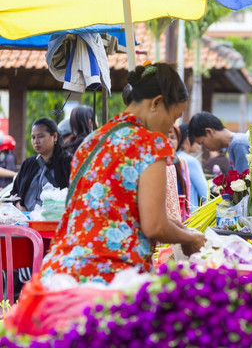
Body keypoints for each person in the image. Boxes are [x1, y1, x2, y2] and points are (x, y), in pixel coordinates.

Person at [40, 62, 205, 284]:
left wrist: (176, 226)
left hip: (61, 273)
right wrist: (190, 238)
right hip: (111, 277)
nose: (170, 127)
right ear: (156, 103)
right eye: (173, 117)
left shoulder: (93, 141)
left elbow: (115, 209)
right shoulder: (149, 143)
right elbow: (154, 224)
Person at [188, 112, 252, 202]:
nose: (205, 148)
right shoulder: (235, 144)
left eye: (202, 143)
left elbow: (247, 188)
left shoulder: (238, 144)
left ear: (209, 131)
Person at [11, 118, 72, 211]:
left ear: (54, 136)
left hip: (53, 221)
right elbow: (14, 193)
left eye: (40, 136)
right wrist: (20, 207)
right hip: (26, 221)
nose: (36, 141)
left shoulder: (67, 162)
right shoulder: (28, 163)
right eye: (33, 137)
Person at [178, 123, 208, 211]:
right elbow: (205, 194)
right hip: (191, 215)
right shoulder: (190, 161)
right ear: (187, 140)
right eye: (197, 140)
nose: (200, 143)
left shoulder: (173, 158)